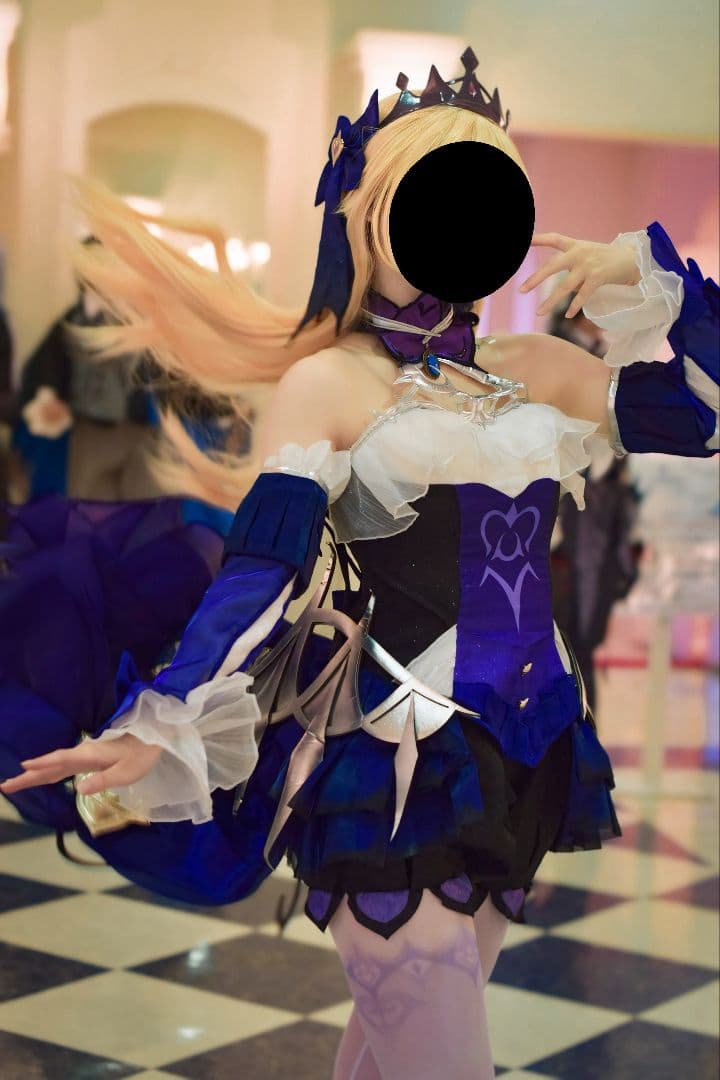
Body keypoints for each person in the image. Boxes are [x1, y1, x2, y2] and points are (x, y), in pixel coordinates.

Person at [1, 47, 718, 1079]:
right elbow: (262, 575)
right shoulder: (330, 383)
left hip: (526, 760)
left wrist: (652, 277)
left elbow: (705, 417)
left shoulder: (538, 370)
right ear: (368, 224)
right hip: (393, 769)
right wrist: (167, 715)